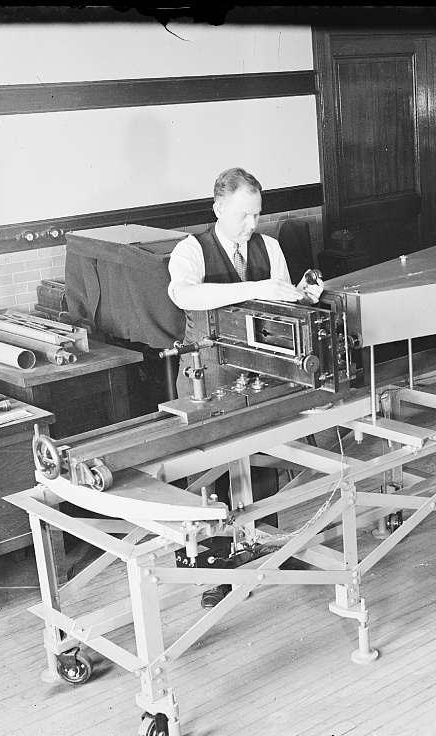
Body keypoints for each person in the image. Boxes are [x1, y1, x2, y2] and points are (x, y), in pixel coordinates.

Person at [167, 167, 312, 609]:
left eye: (257, 216)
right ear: (218, 209)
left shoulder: (268, 247)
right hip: (207, 375)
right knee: (209, 472)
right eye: (243, 217)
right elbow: (184, 295)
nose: (253, 226)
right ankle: (213, 570)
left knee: (264, 460)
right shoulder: (190, 250)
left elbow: (280, 302)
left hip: (259, 371)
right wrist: (258, 286)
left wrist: (300, 296)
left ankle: (266, 547)